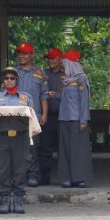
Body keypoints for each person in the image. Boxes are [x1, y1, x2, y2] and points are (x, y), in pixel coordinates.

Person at [0, 67, 39, 214]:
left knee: (20, 169)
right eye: (6, 78)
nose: (9, 80)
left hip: (21, 137)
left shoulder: (26, 97)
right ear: (3, 81)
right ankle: (5, 199)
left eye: (12, 78)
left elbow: (33, 117)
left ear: (17, 80)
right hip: (1, 137)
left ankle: (19, 199)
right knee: (3, 169)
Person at [14, 42, 49, 187]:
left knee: (33, 146)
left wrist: (45, 114)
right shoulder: (12, 73)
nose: (21, 56)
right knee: (16, 146)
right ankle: (18, 175)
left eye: (25, 53)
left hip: (34, 116)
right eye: (20, 53)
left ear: (31, 55)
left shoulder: (40, 74)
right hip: (15, 116)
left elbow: (44, 96)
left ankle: (33, 175)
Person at [58, 49, 92, 188]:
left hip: (77, 119)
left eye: (64, 64)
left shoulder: (81, 79)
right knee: (65, 149)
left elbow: (84, 101)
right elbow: (66, 99)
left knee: (78, 150)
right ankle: (66, 178)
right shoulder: (66, 81)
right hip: (64, 118)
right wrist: (56, 94)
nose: (62, 67)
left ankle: (79, 178)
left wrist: (83, 120)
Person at [38, 47, 65, 185]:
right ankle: (44, 177)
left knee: (64, 148)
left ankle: (65, 177)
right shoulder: (43, 74)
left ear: (60, 59)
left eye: (53, 58)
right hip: (47, 117)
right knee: (45, 148)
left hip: (63, 116)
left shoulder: (67, 75)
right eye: (49, 58)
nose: (50, 60)